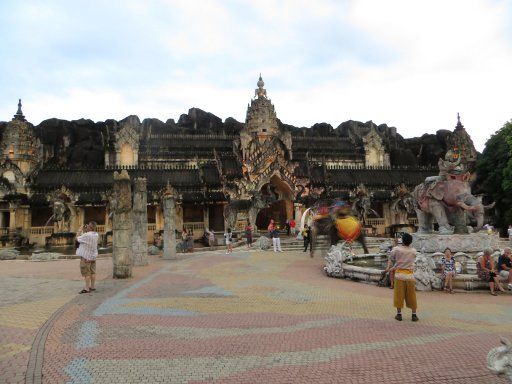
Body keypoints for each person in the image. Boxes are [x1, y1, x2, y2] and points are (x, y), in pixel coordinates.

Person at [390, 233, 418, 322]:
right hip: (410, 276)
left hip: (399, 275)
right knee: (412, 296)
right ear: (410, 242)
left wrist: (394, 245)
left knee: (399, 295)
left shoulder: (396, 249)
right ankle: (414, 315)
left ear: (402, 240)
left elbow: (392, 257)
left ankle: (399, 314)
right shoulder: (413, 251)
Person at [76, 221, 99, 294]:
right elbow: (86, 238)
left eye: (88, 226)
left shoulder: (86, 235)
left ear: (90, 227)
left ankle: (86, 288)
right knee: (93, 272)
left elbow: (77, 239)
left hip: (85, 257)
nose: (87, 226)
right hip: (93, 256)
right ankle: (92, 287)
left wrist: (79, 230)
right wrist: (85, 231)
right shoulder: (96, 234)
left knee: (86, 273)